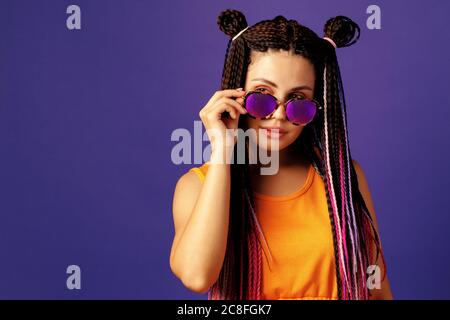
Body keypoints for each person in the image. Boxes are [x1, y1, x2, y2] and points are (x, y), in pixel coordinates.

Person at [170, 9, 393, 300]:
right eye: (262, 95)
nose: (278, 116)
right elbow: (197, 276)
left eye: (298, 100)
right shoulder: (196, 186)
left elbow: (376, 288)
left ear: (317, 107)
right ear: (235, 93)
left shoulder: (343, 178)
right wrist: (224, 152)